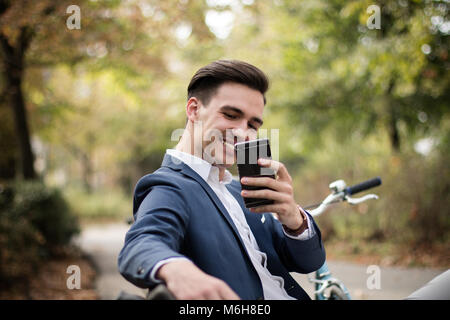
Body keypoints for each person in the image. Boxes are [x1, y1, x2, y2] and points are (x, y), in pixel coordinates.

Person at [118, 60, 326, 300]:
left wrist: (294, 219)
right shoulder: (169, 187)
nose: (242, 132)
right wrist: (175, 268)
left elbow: (309, 262)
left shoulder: (246, 190)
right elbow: (142, 242)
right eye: (230, 115)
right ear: (194, 110)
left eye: (252, 124)